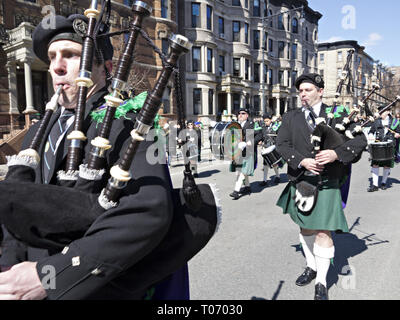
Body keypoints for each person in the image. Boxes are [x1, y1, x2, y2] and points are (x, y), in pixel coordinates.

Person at [0, 13, 190, 300]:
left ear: (107, 69)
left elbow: (148, 212)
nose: (57, 67)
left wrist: (51, 276)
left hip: (92, 287)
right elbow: (18, 207)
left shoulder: (129, 126)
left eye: (71, 55)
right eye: (52, 57)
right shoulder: (37, 131)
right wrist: (9, 270)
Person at [275, 73, 367, 300]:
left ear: (320, 91)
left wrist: (336, 153)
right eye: (300, 91)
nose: (303, 94)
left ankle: (321, 282)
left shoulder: (338, 114)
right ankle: (311, 265)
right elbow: (282, 145)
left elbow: (360, 140)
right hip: (302, 180)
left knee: (323, 231)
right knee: (306, 228)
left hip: (328, 182)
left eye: (307, 90)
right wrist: (301, 160)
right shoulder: (290, 117)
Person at [229, 107, 262, 200]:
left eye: (243, 113)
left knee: (242, 171)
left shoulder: (251, 124)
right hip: (239, 151)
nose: (240, 115)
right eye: (239, 113)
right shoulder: (236, 125)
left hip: (249, 151)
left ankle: (236, 191)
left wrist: (251, 142)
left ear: (247, 115)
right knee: (240, 170)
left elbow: (260, 134)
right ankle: (247, 187)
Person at [367, 106, 400, 191]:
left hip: (390, 145)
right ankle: (374, 185)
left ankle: (383, 182)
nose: (380, 113)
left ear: (388, 112)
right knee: (375, 164)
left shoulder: (395, 122)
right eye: (380, 111)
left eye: (382, 111)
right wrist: (370, 135)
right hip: (378, 144)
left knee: (386, 165)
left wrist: (397, 134)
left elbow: (398, 132)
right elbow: (371, 131)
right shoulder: (377, 121)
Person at [258, 113, 282, 186]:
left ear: (271, 120)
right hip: (265, 147)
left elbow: (280, 135)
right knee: (265, 164)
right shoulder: (263, 127)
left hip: (273, 147)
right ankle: (264, 180)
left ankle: (277, 176)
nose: (266, 122)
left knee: (274, 163)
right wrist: (260, 141)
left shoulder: (276, 126)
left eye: (267, 121)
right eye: (265, 121)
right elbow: (262, 136)